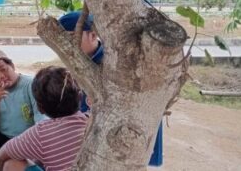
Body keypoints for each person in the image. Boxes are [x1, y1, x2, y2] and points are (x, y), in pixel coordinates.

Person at [58, 11, 163, 166]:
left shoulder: (115, 67)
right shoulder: (77, 62)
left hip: (125, 147)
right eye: (63, 39)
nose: (67, 44)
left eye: (72, 36)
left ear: (93, 35)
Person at [0, 66, 89, 171]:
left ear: (40, 108)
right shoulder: (91, 121)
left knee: (11, 164)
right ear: (80, 97)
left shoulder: (40, 133)